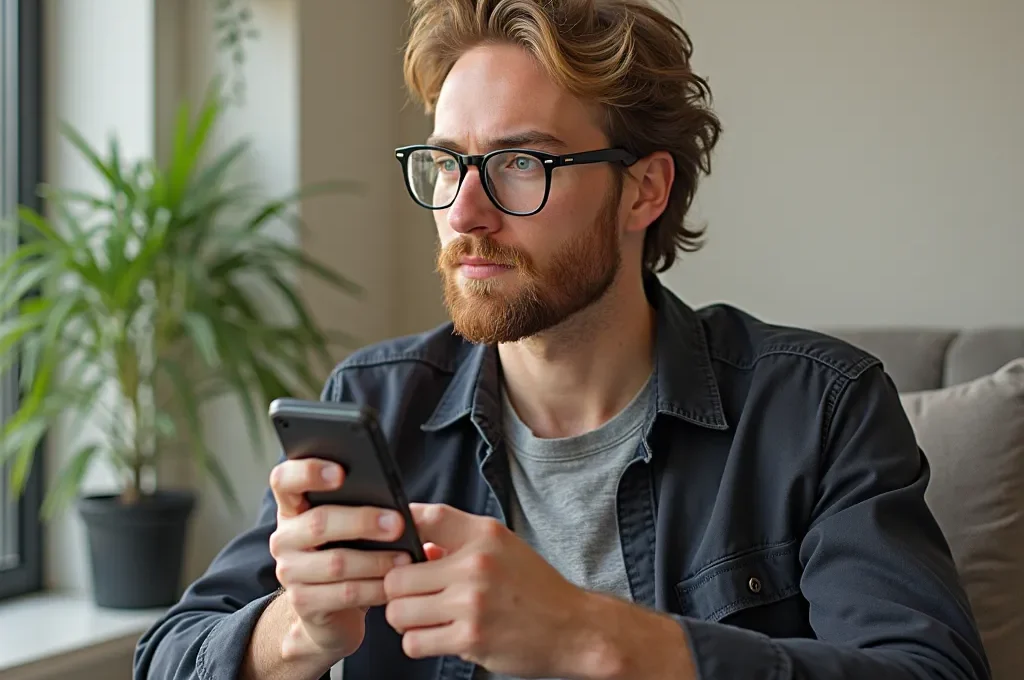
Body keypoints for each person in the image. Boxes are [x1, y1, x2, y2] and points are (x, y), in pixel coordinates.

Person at [134, 1, 991, 679]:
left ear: (643, 191)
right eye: (445, 165)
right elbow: (168, 657)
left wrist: (595, 641)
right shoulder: (374, 400)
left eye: (521, 164)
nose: (463, 213)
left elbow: (929, 669)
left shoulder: (817, 409)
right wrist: (296, 633)